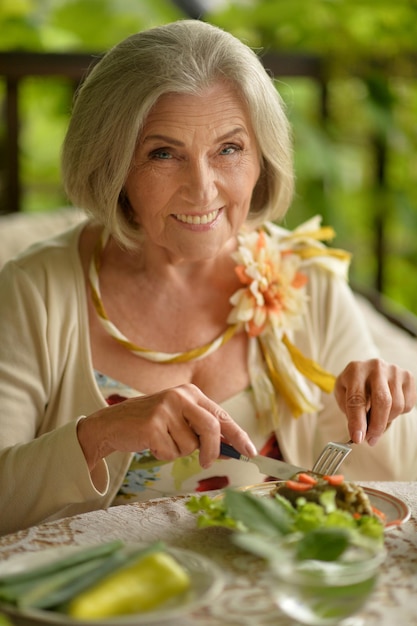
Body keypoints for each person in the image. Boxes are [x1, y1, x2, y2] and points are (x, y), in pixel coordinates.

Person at [0, 20, 416, 537]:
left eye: (229, 149)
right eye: (163, 153)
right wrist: (99, 435)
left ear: (261, 157)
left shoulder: (309, 277)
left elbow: (384, 491)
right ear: (112, 166)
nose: (202, 189)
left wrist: (386, 411)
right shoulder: (31, 290)